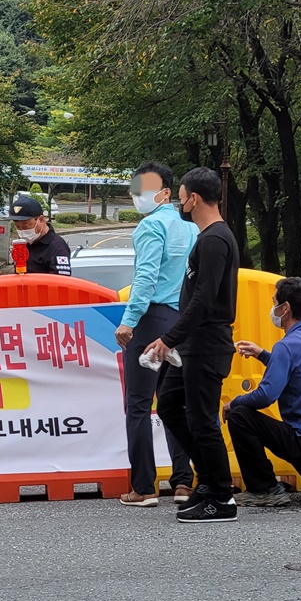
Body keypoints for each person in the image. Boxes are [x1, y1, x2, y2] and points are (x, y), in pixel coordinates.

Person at [144, 167, 241, 524]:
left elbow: (203, 298)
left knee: (202, 420)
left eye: (181, 195)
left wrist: (169, 337)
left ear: (193, 199)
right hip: (189, 344)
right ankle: (209, 480)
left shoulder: (215, 239)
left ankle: (222, 497)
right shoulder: (207, 237)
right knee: (169, 405)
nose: (179, 201)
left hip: (206, 343)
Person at [113, 162, 198, 507]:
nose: (139, 196)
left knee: (138, 404)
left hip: (150, 320)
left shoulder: (150, 227)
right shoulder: (191, 230)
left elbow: (145, 279)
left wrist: (129, 320)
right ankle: (182, 483)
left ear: (165, 192)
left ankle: (144, 487)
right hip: (181, 322)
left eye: (145, 189)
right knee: (174, 403)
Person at [223, 277, 301, 505]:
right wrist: (263, 355)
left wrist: (234, 402)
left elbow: (266, 396)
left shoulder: (286, 346)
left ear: (285, 308)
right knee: (294, 429)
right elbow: (297, 374)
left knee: (240, 416)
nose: (273, 309)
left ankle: (264, 489)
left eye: (274, 302)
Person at [9, 195, 71, 276]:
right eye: (18, 227)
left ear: (41, 219)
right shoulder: (25, 244)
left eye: (26, 226)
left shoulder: (57, 248)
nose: (22, 231)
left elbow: (60, 283)